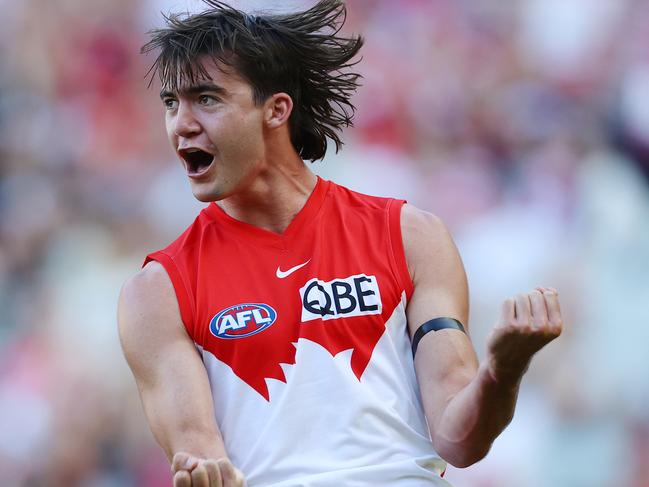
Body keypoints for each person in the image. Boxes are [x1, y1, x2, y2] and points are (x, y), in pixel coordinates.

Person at [117, 1, 564, 486]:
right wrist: (207, 477)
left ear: (276, 109)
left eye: (206, 98)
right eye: (170, 103)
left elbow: (459, 440)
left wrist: (504, 368)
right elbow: (199, 452)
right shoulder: (158, 291)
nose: (180, 124)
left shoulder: (409, 236)